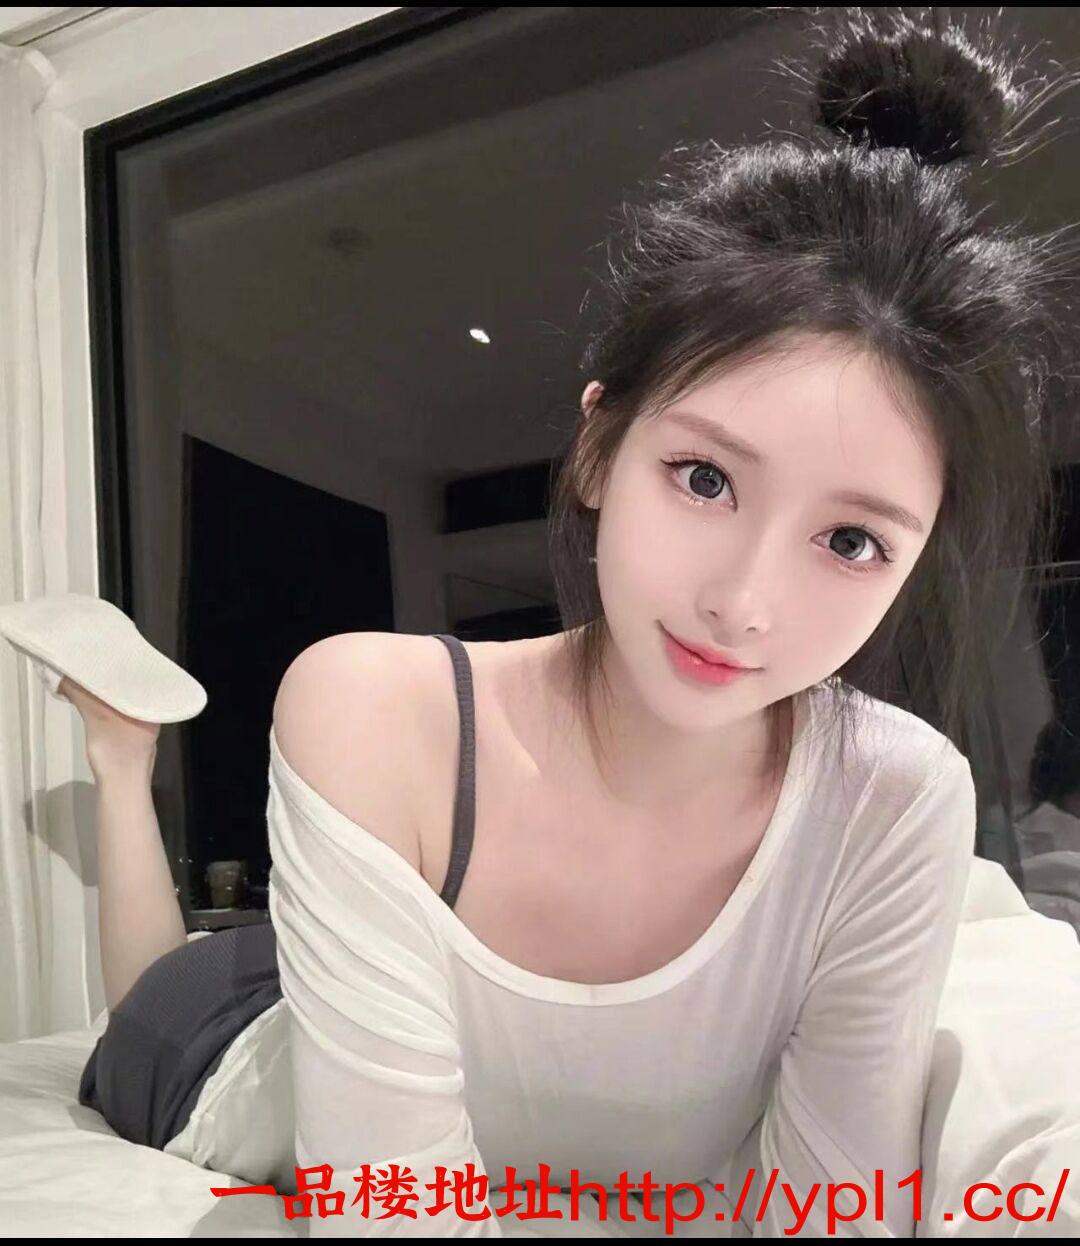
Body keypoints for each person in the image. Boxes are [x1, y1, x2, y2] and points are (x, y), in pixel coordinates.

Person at [70, 7, 1080, 1237]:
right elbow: (393, 1214)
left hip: (390, 978)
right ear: (599, 446)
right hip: (223, 1046)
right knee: (149, 996)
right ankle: (120, 758)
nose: (744, 603)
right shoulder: (373, 709)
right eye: (704, 477)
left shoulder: (894, 798)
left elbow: (832, 1210)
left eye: (852, 541)